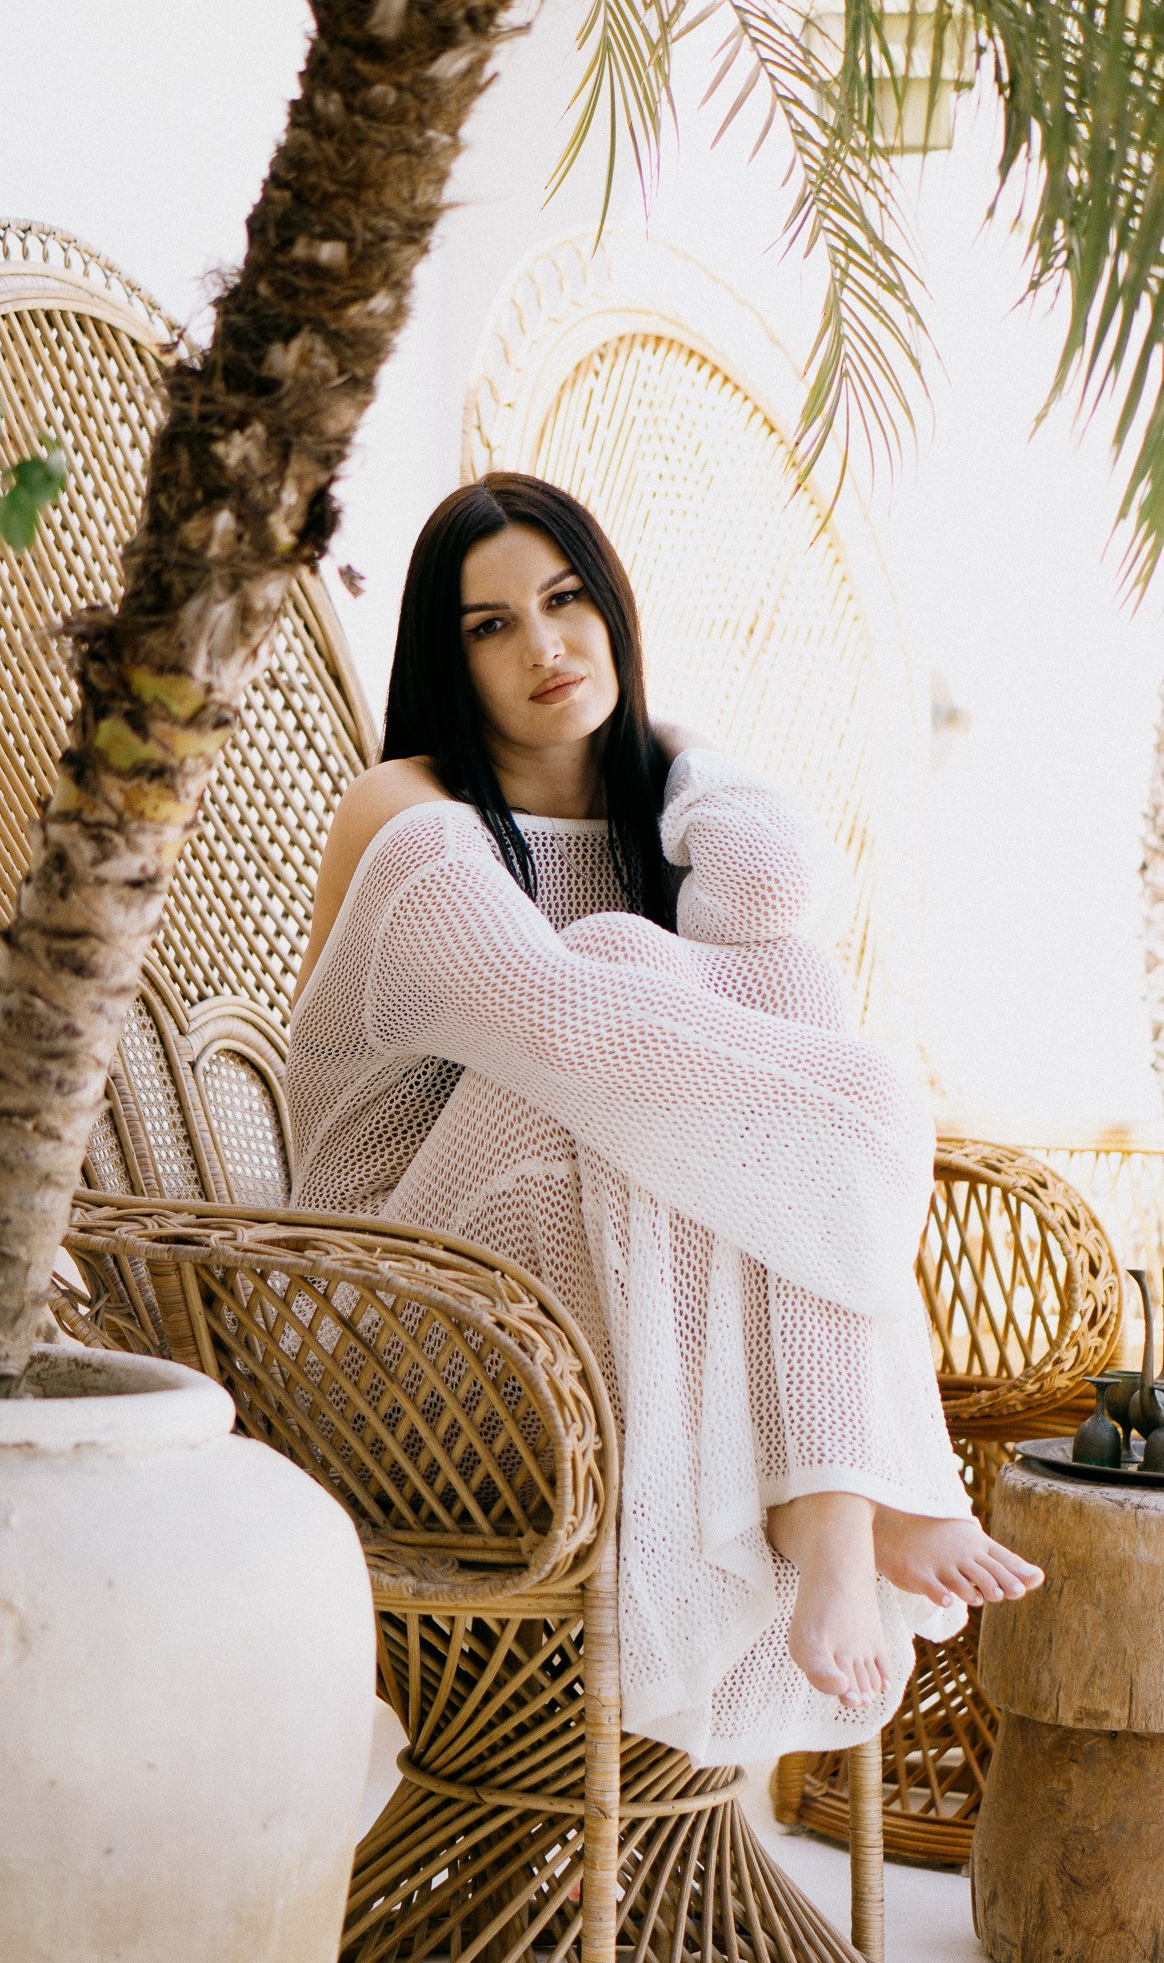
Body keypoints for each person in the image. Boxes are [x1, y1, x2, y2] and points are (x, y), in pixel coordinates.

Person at [286, 472, 1042, 1766]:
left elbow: (769, 897)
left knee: (778, 979)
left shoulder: (656, 806)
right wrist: (868, 1111)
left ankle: (826, 1497)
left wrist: (674, 752)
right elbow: (559, 1024)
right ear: (448, 659)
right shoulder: (409, 816)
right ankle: (847, 1490)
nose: (545, 646)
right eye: (490, 626)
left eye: (567, 600)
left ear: (613, 607)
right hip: (403, 1289)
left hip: (575, 1248)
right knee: (628, 973)